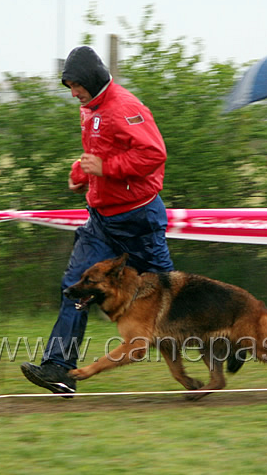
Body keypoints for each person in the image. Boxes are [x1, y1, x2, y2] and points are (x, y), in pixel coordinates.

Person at [21, 46, 175, 396]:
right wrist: (80, 176)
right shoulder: (89, 110)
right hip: (101, 221)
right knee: (76, 285)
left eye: (76, 85)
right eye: (69, 87)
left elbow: (153, 154)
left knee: (169, 296)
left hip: (138, 219)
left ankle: (220, 341)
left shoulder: (125, 107)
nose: (73, 93)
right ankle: (58, 369)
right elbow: (95, 154)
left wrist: (107, 170)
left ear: (92, 79)